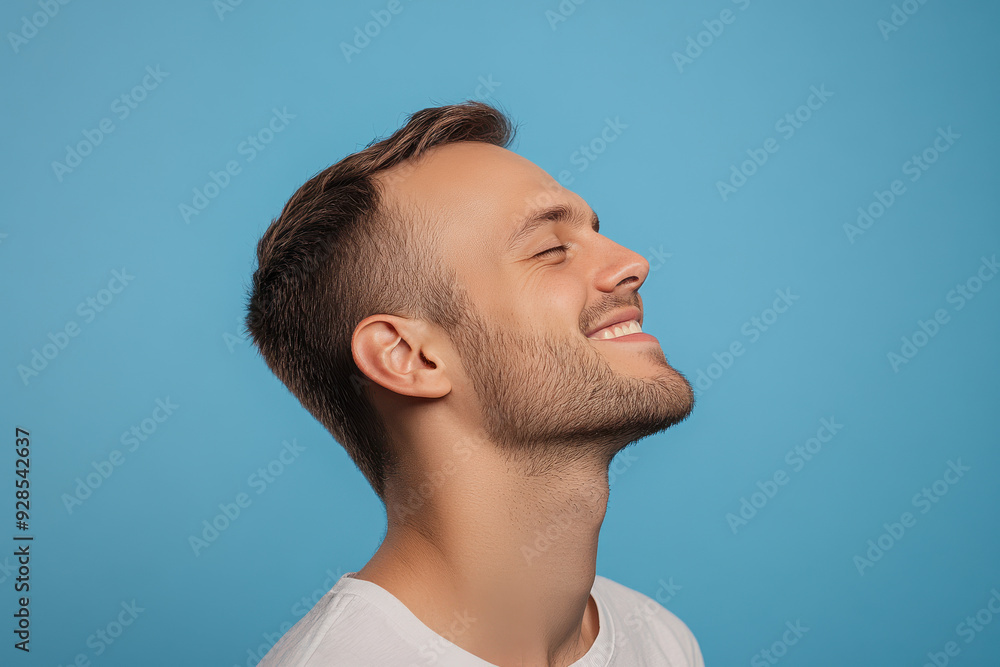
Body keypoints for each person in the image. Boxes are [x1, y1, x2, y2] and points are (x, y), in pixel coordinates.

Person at [245, 100, 703, 666]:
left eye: (594, 232)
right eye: (552, 249)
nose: (634, 263)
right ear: (409, 357)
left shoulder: (658, 638)